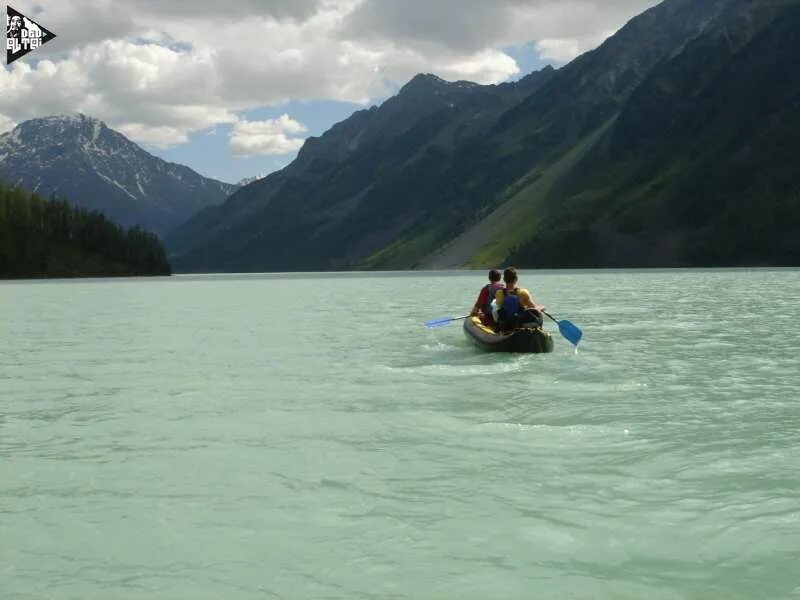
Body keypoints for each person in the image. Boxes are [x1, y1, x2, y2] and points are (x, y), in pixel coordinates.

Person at [494, 267, 546, 331]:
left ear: (504, 279)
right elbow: (533, 308)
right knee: (538, 314)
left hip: (505, 324)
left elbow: (498, 306)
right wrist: (542, 308)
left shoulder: (499, 293)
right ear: (516, 279)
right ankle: (540, 331)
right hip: (519, 324)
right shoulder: (523, 292)